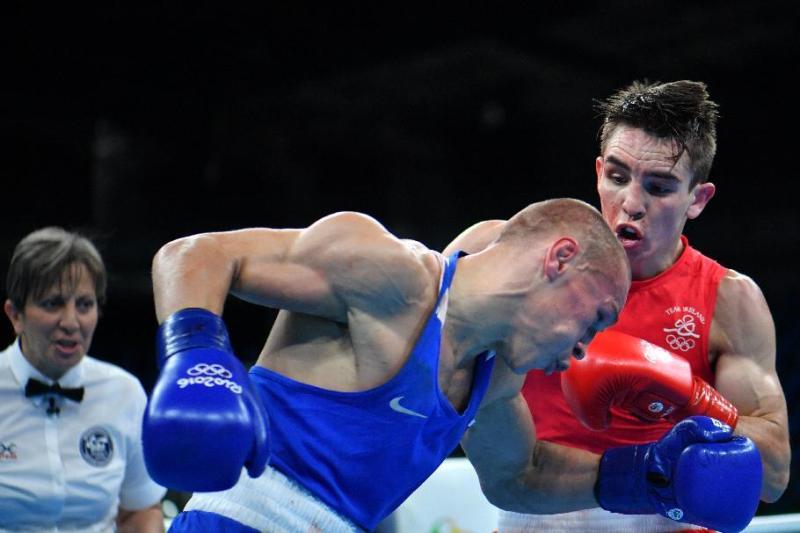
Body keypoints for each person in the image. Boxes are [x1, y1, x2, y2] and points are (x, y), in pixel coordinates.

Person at [142, 198, 763, 533]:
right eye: (595, 318)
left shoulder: (497, 377)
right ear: (560, 258)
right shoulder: (391, 276)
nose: (582, 349)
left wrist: (647, 474)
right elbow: (196, 255)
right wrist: (196, 355)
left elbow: (520, 475)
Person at [442, 80, 790, 532]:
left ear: (697, 199)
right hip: (534, 504)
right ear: (598, 172)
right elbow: (429, 366)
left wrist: (691, 399)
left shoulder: (728, 299)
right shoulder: (507, 254)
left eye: (660, 187)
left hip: (665, 514)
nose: (631, 203)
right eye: (618, 177)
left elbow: (774, 475)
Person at [0, 227, 166, 532]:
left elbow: (139, 511)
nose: (71, 322)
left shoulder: (124, 393)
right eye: (52, 303)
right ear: (15, 315)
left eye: (84, 304)